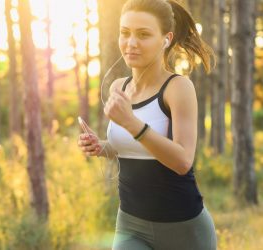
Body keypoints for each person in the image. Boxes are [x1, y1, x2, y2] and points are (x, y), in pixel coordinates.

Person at [77, 0, 217, 249]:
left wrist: (131, 123)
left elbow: (182, 161)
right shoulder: (118, 87)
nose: (131, 43)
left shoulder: (177, 88)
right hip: (131, 225)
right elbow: (132, 147)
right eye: (125, 33)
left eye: (143, 34)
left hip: (184, 229)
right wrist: (102, 146)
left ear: (166, 38)